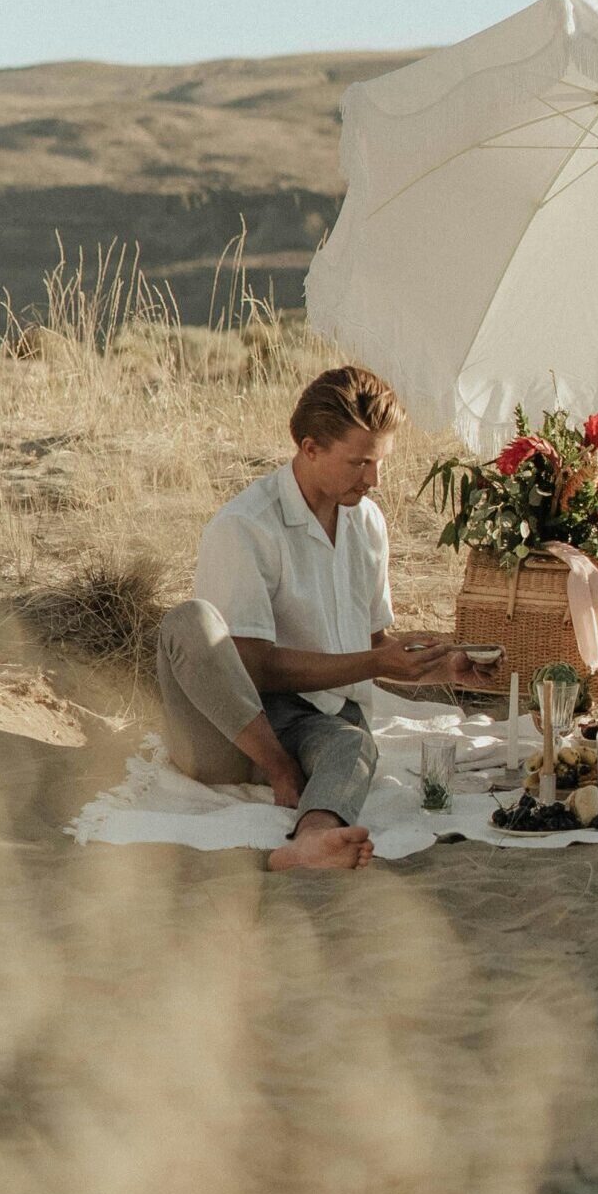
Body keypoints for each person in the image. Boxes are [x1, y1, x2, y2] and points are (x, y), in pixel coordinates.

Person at [156, 364, 470, 873]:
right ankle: (283, 773)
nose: (374, 479)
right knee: (189, 622)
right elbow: (254, 670)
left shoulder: (366, 521)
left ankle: (314, 837)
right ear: (309, 449)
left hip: (317, 724)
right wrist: (281, 767)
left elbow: (371, 644)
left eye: (378, 462)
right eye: (359, 463)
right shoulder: (245, 526)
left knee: (355, 744)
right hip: (231, 732)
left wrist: (443, 668)